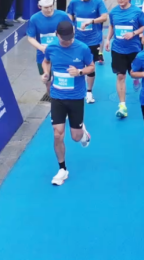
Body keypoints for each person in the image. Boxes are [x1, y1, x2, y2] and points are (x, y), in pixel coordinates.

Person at [35, 20, 94, 186]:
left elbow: (91, 67)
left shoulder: (82, 48)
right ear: (57, 35)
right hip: (57, 96)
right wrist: (46, 74)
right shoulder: (51, 48)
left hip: (76, 97)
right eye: (64, 39)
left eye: (70, 38)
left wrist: (80, 71)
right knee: (57, 134)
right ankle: (62, 169)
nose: (67, 41)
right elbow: (46, 61)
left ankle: (83, 132)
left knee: (76, 137)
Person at [105, 0, 144, 119]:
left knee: (134, 74)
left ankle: (136, 79)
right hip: (118, 49)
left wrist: (133, 33)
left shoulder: (137, 12)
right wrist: (108, 39)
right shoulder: (113, 12)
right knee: (120, 76)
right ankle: (122, 106)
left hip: (134, 49)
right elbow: (112, 26)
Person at [66, 0, 109, 104]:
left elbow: (104, 16)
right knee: (76, 65)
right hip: (77, 39)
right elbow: (70, 14)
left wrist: (92, 21)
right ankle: (77, 88)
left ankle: (89, 91)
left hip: (93, 40)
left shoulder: (98, 1)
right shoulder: (74, 2)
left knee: (90, 66)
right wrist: (71, 24)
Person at [27, 0, 70, 75]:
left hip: (61, 53)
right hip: (43, 55)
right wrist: (41, 48)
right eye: (46, 7)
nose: (49, 10)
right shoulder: (34, 19)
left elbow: (72, 30)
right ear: (39, 6)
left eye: (51, 6)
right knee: (46, 80)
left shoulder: (63, 15)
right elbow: (30, 37)